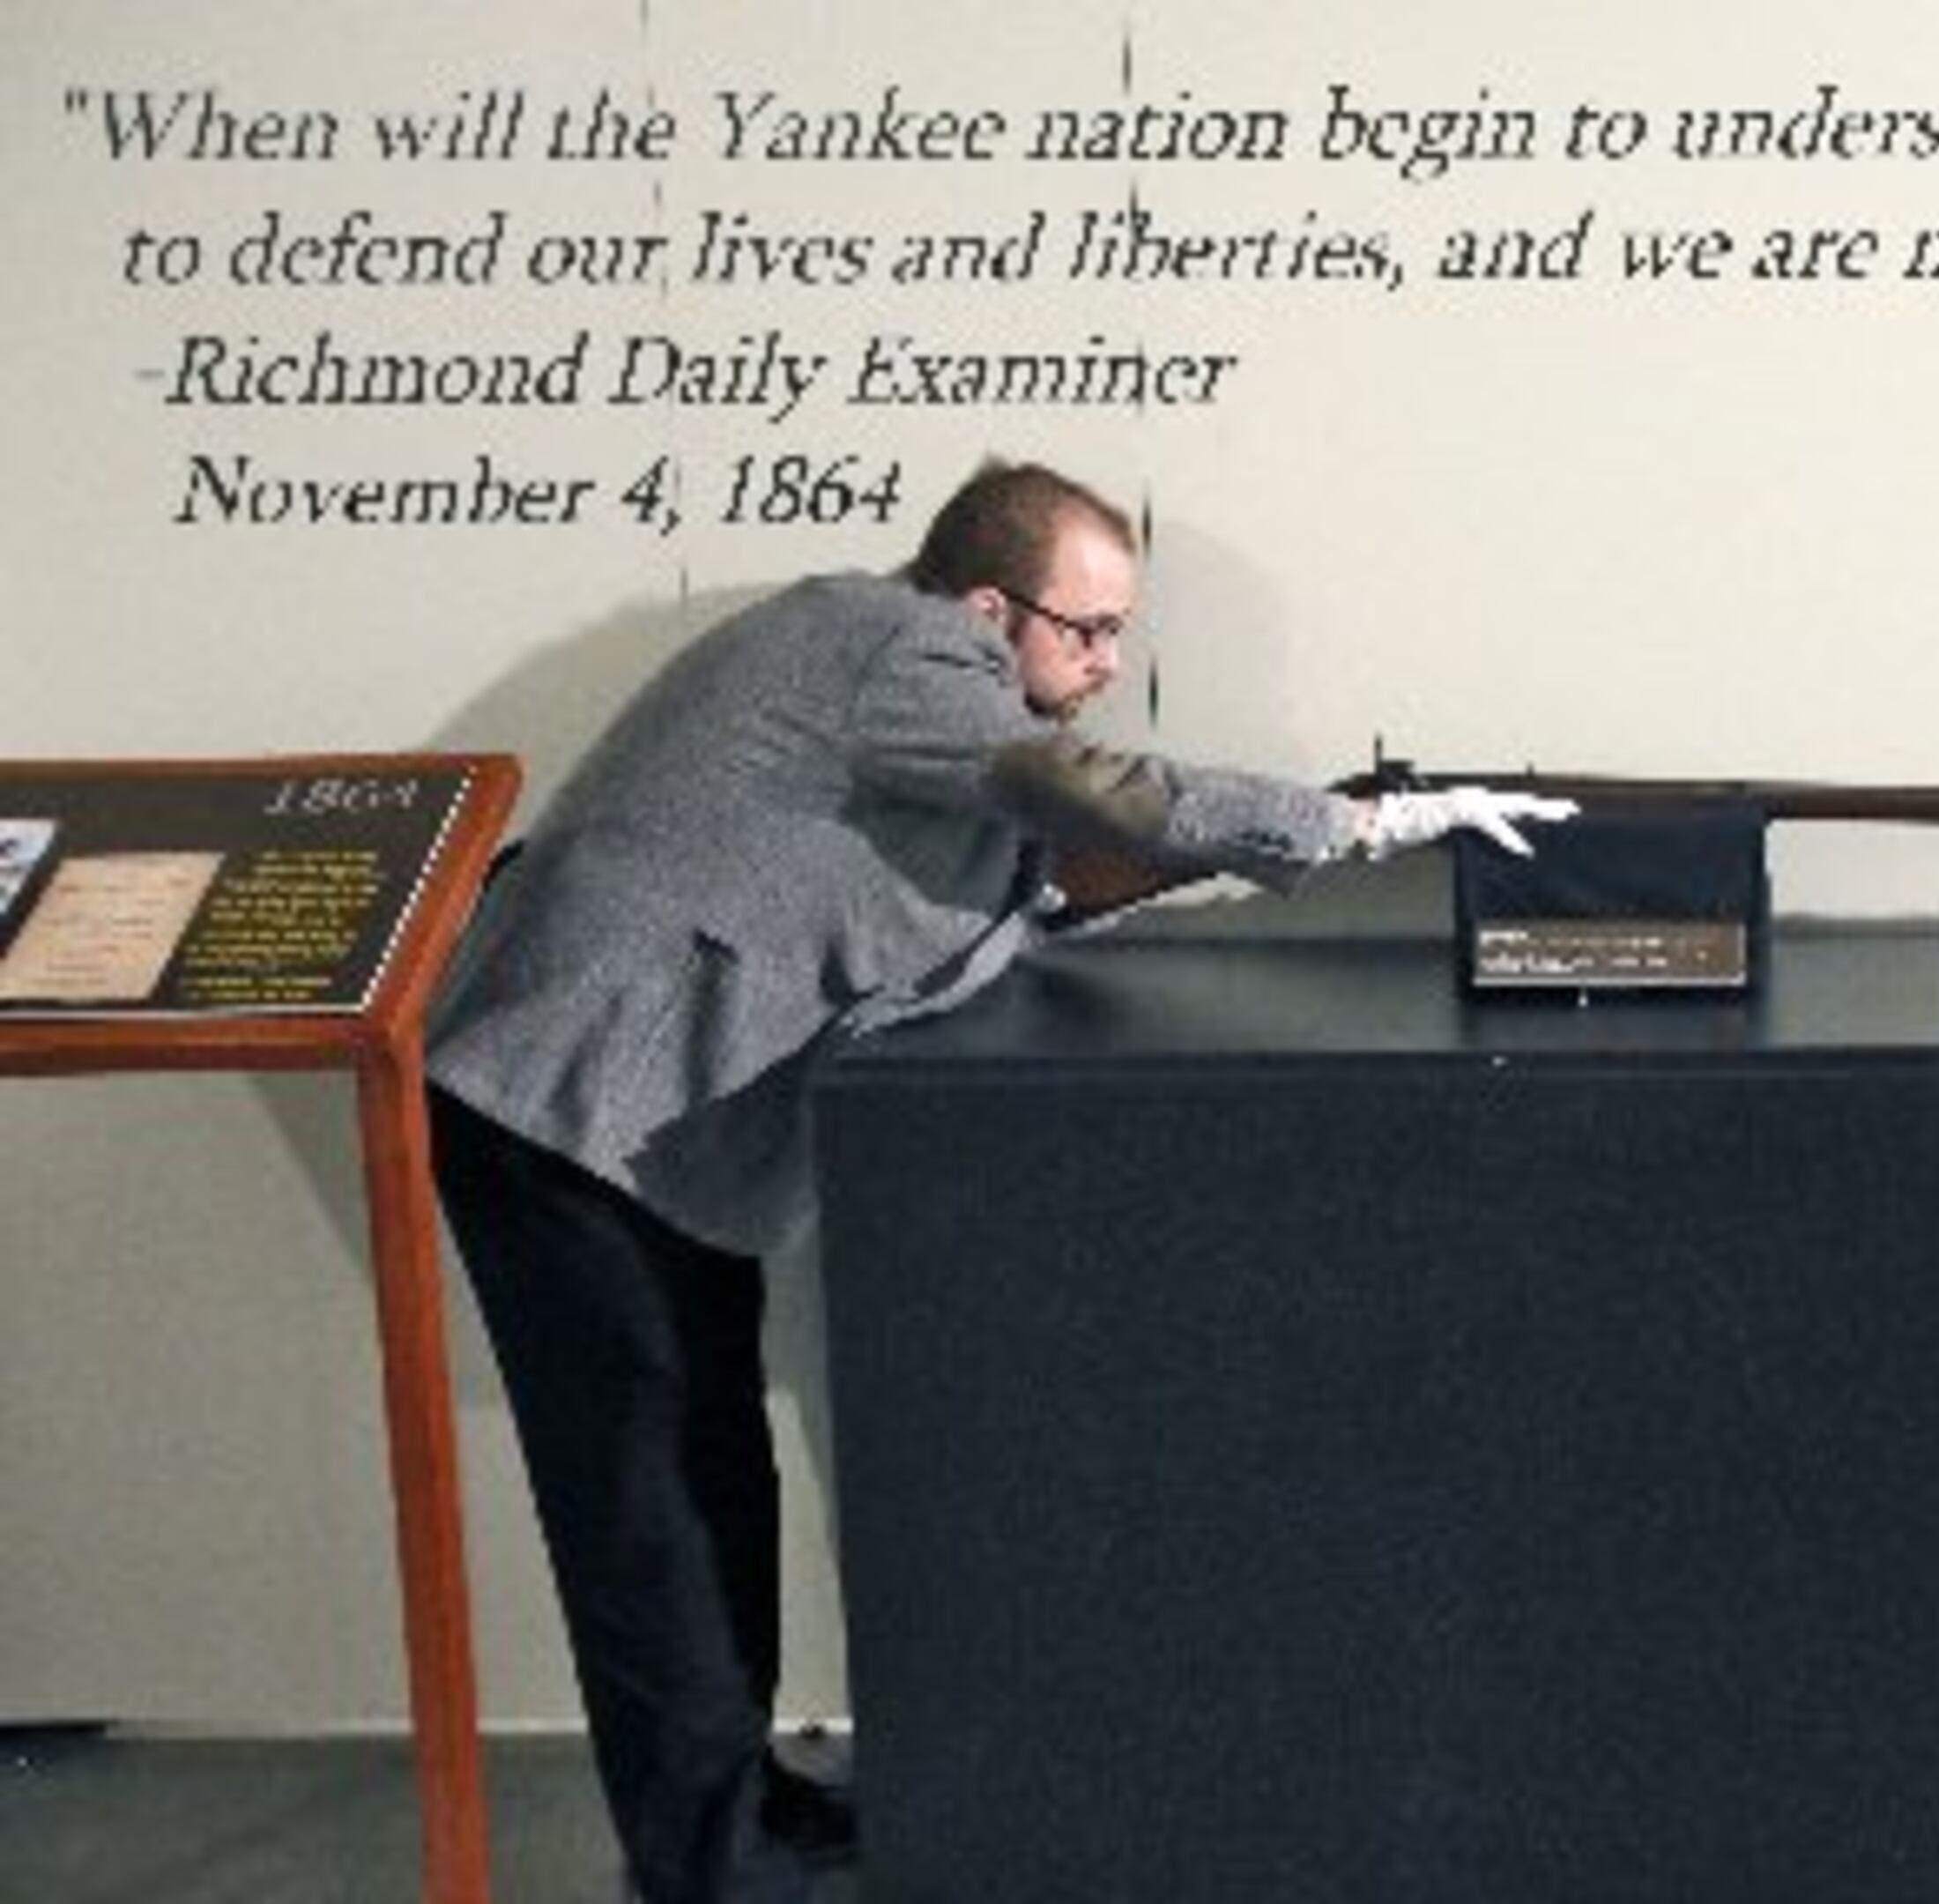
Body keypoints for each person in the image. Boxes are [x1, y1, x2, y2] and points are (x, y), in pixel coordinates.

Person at [424, 459, 1568, 1903]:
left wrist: (1305, 834)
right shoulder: (895, 647)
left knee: (704, 1481)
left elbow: (1061, 871)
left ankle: (738, 1809)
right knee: (649, 1505)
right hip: (564, 1105)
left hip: (626, 1127)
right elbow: (1089, 795)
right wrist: (1354, 826)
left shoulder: (934, 727)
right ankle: (707, 1864)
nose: (1104, 669)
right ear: (982, 610)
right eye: (1085, 631)